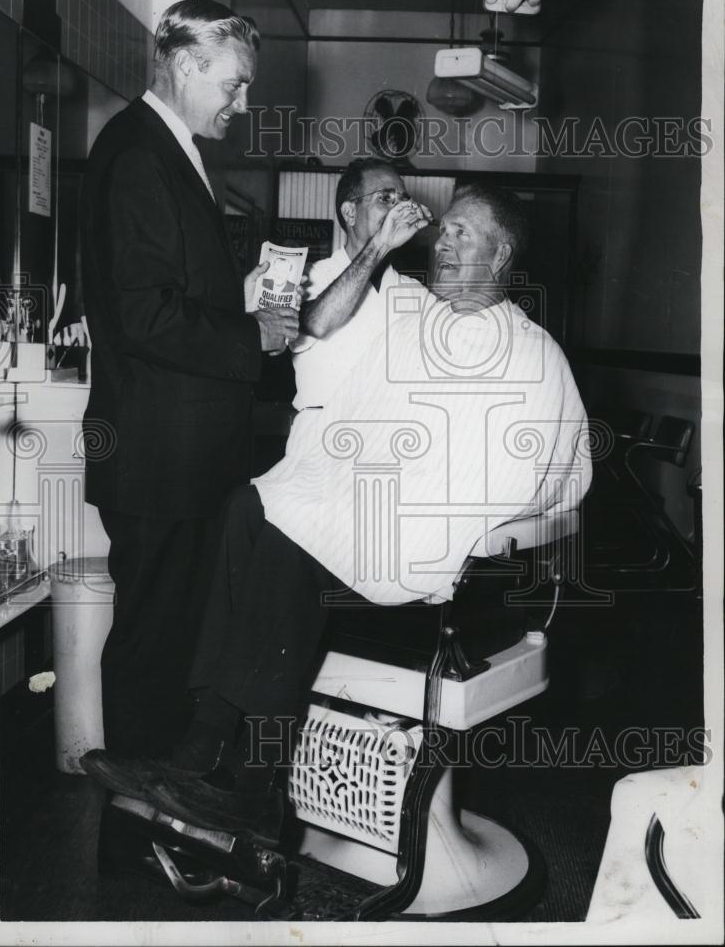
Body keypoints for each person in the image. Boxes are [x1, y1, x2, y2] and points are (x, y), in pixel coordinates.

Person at [82, 183, 592, 848]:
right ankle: (205, 752)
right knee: (251, 505)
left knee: (289, 536)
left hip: (452, 560)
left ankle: (243, 782)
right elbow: (351, 398)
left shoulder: (531, 351)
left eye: (464, 233)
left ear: (501, 257)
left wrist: (454, 509)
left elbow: (557, 469)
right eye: (447, 229)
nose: (443, 239)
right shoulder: (412, 316)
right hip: (372, 515)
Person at [80, 0, 299, 758]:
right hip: (159, 457)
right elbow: (144, 314)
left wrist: (241, 297)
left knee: (170, 646)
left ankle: (159, 820)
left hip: (174, 455)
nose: (242, 104)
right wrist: (252, 333)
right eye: (234, 86)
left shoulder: (166, 152)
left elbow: (163, 299)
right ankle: (134, 834)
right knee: (152, 649)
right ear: (183, 65)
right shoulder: (141, 154)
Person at [291, 157, 431, 421]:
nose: (397, 210)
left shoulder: (416, 293)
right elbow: (318, 324)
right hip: (323, 438)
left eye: (402, 200)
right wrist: (381, 244)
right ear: (350, 213)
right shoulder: (310, 277)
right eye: (385, 199)